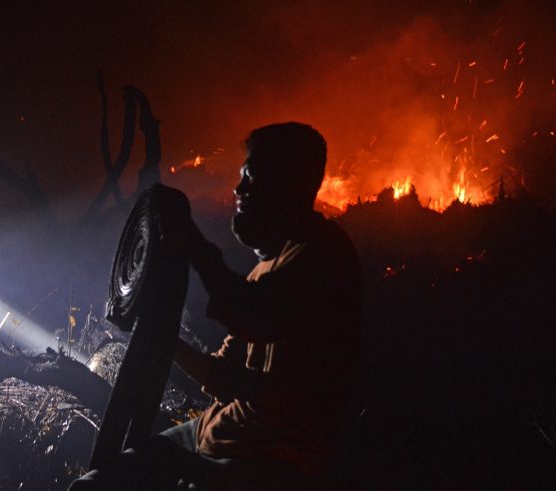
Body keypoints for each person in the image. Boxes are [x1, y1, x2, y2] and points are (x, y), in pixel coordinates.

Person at [71, 122, 361, 490]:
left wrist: (195, 244)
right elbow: (224, 375)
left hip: (270, 462)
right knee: (102, 479)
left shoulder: (320, 256)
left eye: (252, 176)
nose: (239, 189)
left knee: (112, 481)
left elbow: (251, 315)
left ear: (287, 184)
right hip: (223, 432)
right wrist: (158, 332)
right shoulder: (266, 268)